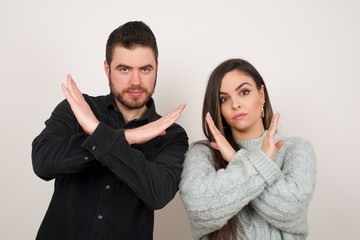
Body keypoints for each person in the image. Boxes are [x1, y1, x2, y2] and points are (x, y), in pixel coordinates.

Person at [32, 21, 189, 240]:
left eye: (145, 69)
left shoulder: (171, 135)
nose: (136, 81)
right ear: (107, 68)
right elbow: (42, 162)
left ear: (156, 69)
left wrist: (97, 134)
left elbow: (158, 195)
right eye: (124, 69)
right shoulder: (77, 108)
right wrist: (127, 137)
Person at [179, 58, 316, 240]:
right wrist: (259, 163)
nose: (235, 104)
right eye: (223, 99)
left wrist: (236, 158)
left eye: (244, 92)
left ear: (261, 95)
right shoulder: (203, 153)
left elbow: (290, 209)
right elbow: (198, 209)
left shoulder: (296, 149)